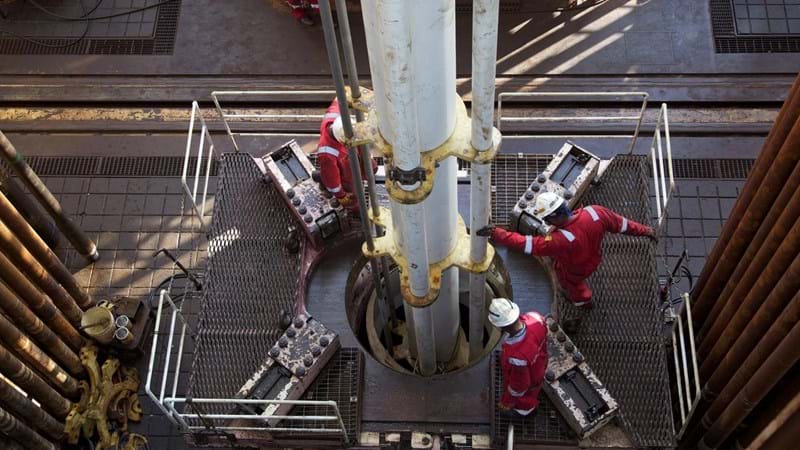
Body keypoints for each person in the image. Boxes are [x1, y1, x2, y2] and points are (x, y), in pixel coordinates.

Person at [478, 192, 656, 309]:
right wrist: (647, 231)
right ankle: (583, 300)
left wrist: (497, 233)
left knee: (572, 285)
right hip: (594, 258)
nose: (547, 223)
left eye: (547, 219)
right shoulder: (595, 212)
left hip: (574, 270)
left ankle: (583, 302)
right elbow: (624, 225)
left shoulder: (558, 241)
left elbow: (526, 243)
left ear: (553, 217)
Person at [488, 298, 548, 418]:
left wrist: (507, 402)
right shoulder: (535, 317)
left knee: (525, 397)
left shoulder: (517, 358)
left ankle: (527, 411)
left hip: (530, 377)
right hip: (540, 363)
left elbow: (519, 386)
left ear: (500, 327)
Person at [316, 98, 375, 211]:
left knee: (370, 167)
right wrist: (341, 195)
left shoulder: (335, 116)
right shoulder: (327, 153)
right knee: (353, 196)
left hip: (353, 159)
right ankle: (356, 210)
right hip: (346, 174)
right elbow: (332, 178)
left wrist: (351, 97)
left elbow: (340, 98)